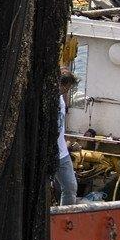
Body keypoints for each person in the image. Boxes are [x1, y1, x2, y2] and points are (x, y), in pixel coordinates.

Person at [52, 70, 79, 206]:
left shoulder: (61, 99)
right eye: (66, 88)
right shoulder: (48, 98)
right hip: (48, 153)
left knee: (70, 187)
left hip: (62, 152)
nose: (67, 91)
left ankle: (65, 215)